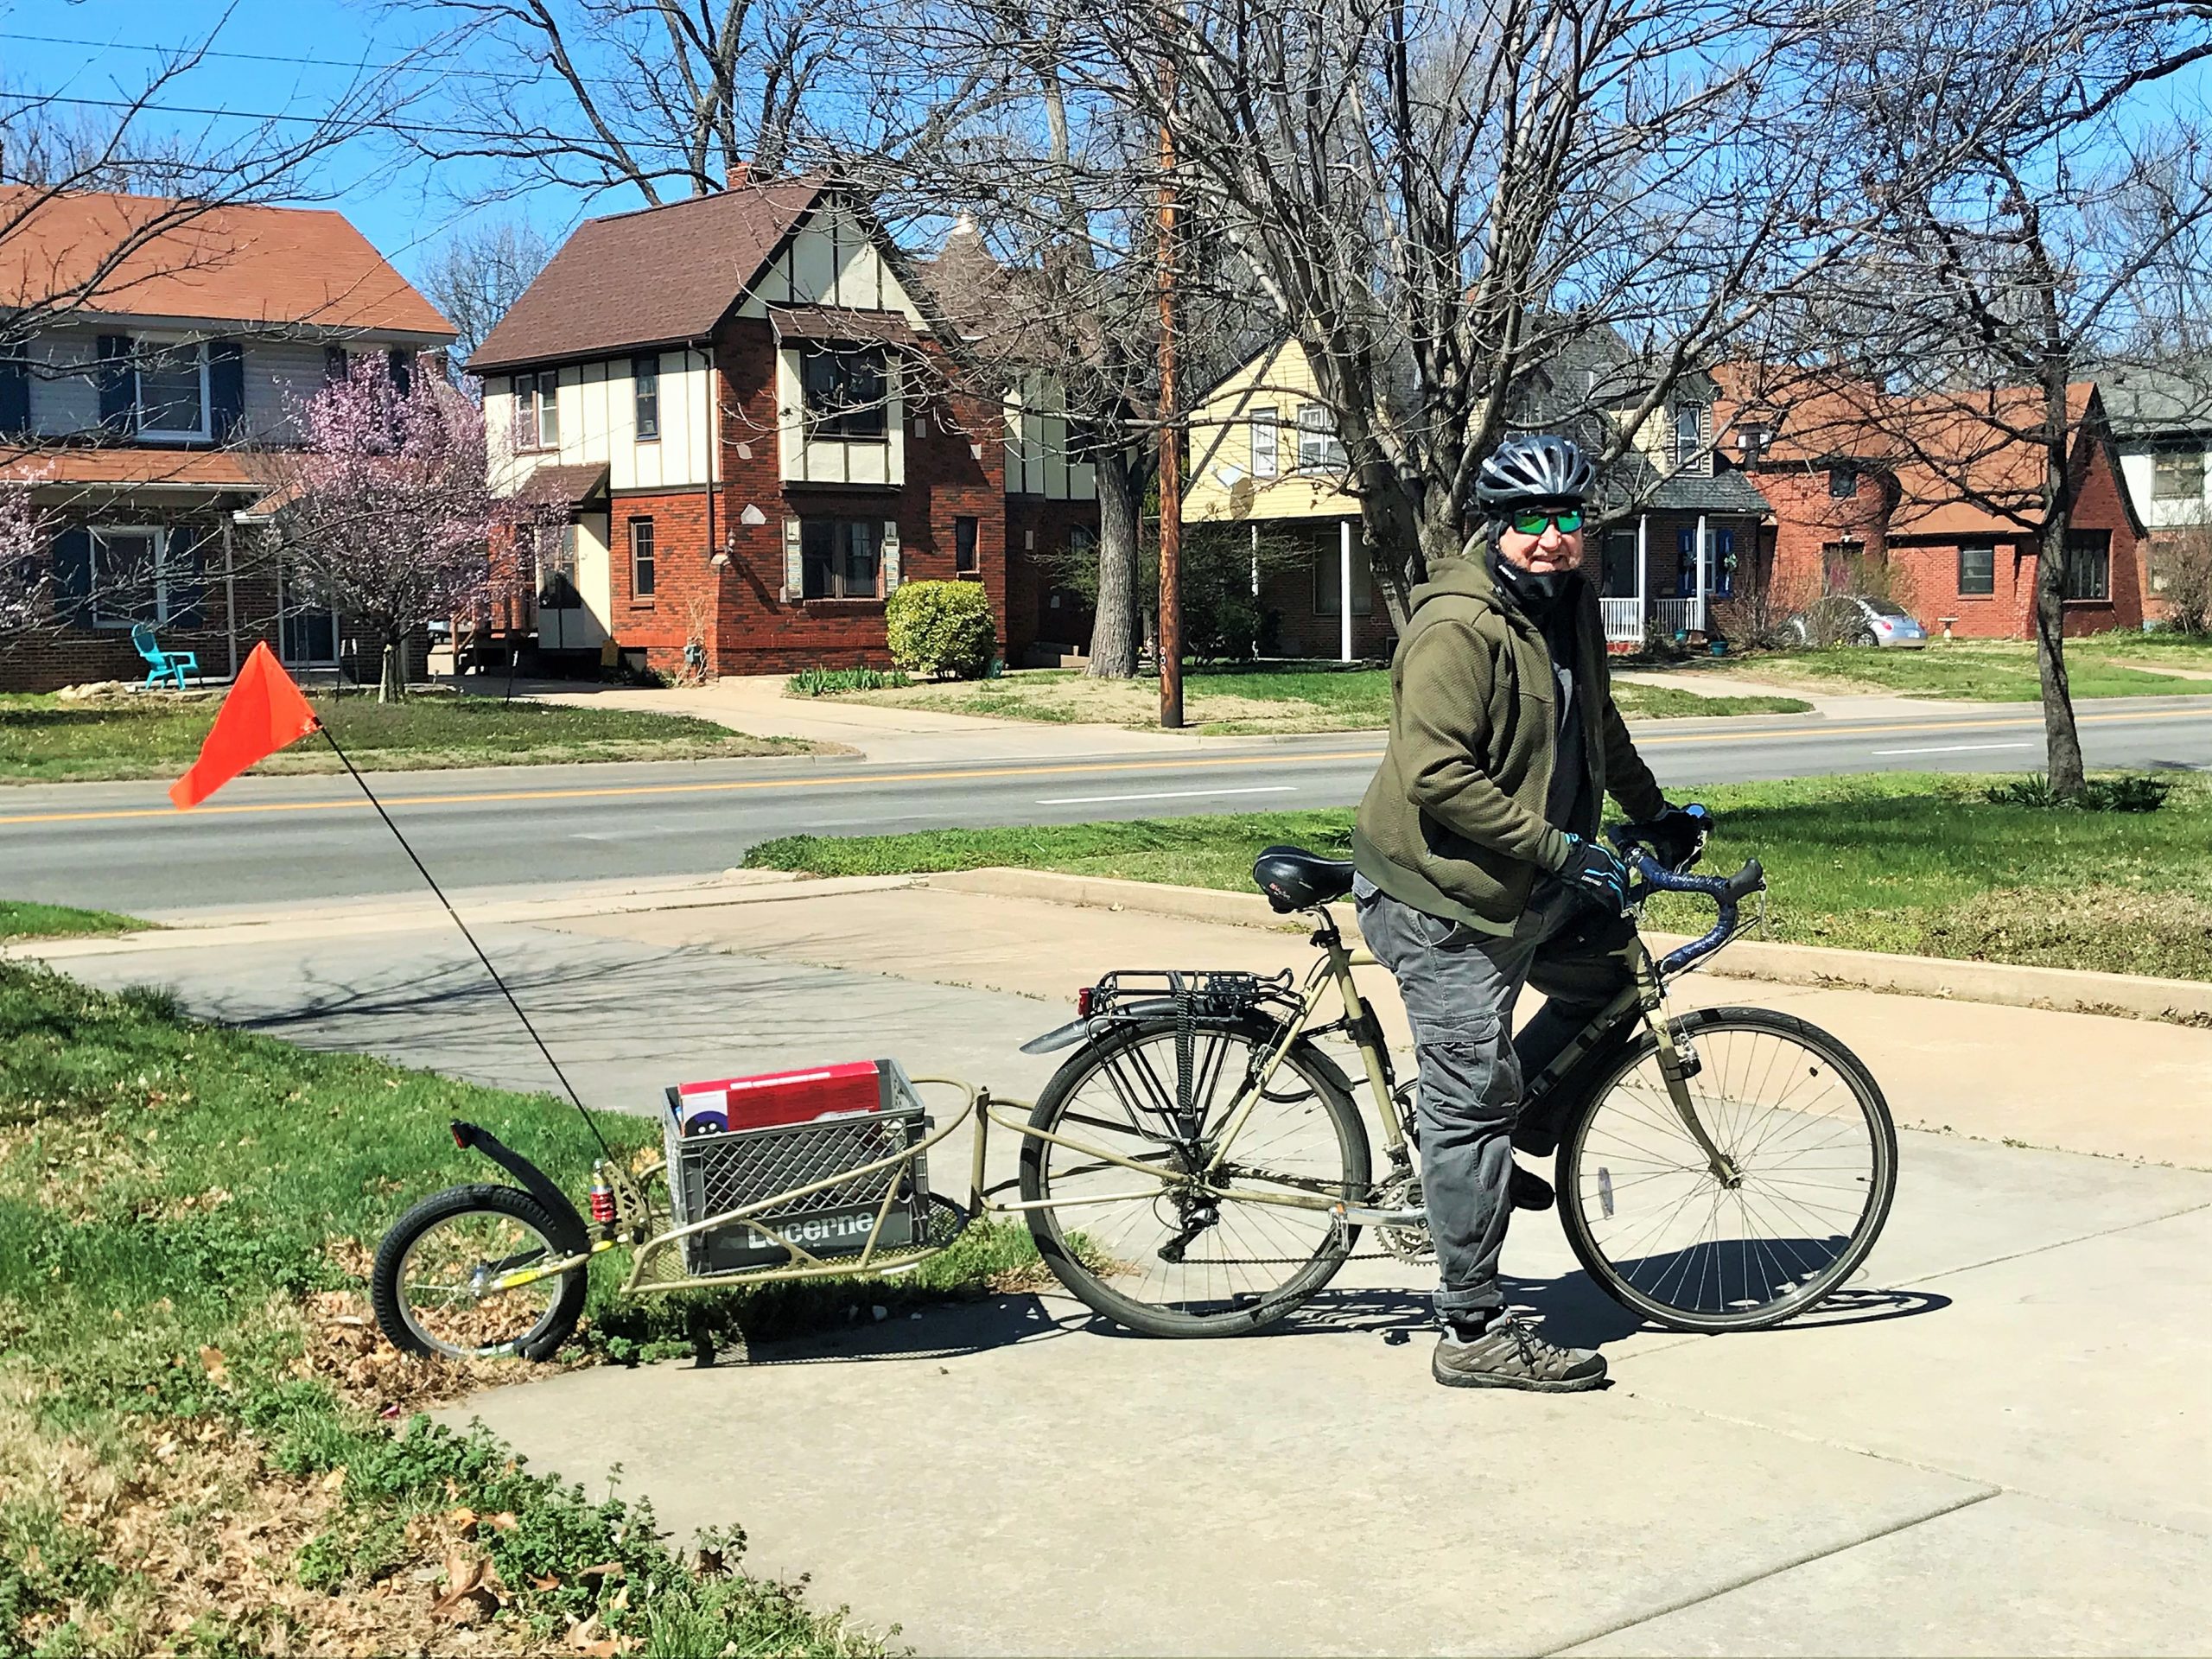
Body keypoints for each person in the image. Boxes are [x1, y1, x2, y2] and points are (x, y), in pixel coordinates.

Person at [1351, 433, 1708, 1392]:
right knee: (1469, 1106)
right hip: (1441, 897)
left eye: (1567, 520)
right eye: (1530, 522)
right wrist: (1561, 851)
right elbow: (1435, 774)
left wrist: (1654, 814)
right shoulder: (1456, 627)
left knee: (1610, 977)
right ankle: (1470, 1328)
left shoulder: (1569, 605)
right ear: (1496, 527)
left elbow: (1598, 723)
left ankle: (1507, 1144)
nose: (1551, 539)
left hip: (1525, 886)